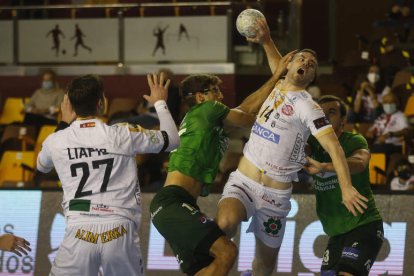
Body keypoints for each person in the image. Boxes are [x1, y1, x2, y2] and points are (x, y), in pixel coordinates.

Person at [215, 18, 369, 276]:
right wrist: (265, 39)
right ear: (290, 65)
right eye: (301, 59)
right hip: (244, 181)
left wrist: (346, 188)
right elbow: (277, 62)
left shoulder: (308, 106)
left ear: (312, 77)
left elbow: (334, 147)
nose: (306, 63)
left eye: (311, 65)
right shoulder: (277, 83)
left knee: (264, 266)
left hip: (275, 197)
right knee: (225, 222)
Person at [149, 52, 295, 276]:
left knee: (206, 266)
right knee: (226, 252)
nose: (220, 95)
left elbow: (244, 109)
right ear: (200, 97)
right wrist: (277, 78)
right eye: (214, 91)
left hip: (176, 204)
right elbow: (247, 117)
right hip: (173, 203)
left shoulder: (204, 119)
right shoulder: (208, 110)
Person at [36, 73, 179, 275]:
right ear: (101, 103)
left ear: (69, 105)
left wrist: (63, 124)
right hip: (120, 230)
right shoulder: (123, 133)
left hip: (78, 230)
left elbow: (41, 166)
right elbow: (172, 140)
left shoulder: (56, 140)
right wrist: (161, 103)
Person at [305, 95, 384, 275]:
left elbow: (359, 163)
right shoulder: (313, 144)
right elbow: (300, 150)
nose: (324, 118)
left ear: (343, 120)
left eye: (331, 113)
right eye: (320, 114)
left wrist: (324, 167)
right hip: (336, 233)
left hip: (364, 225)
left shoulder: (354, 140)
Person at [365, 92, 409, 156]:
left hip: (395, 145)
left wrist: (390, 134)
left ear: (396, 104)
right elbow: (371, 130)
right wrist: (370, 132)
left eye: (391, 103)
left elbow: (406, 131)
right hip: (379, 144)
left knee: (374, 149)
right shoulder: (382, 117)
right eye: (386, 103)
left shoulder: (401, 116)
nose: (388, 105)